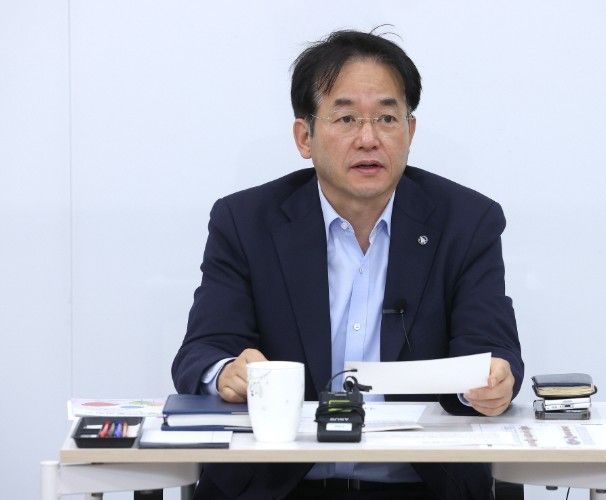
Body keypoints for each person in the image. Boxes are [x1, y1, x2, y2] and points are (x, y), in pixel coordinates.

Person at [172, 29, 523, 500]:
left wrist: (489, 385)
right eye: (346, 118)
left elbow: (491, 350)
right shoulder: (246, 222)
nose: (369, 139)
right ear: (305, 137)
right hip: (278, 488)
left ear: (410, 131)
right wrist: (226, 371)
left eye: (387, 118)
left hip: (420, 488)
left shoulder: (467, 222)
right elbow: (202, 351)